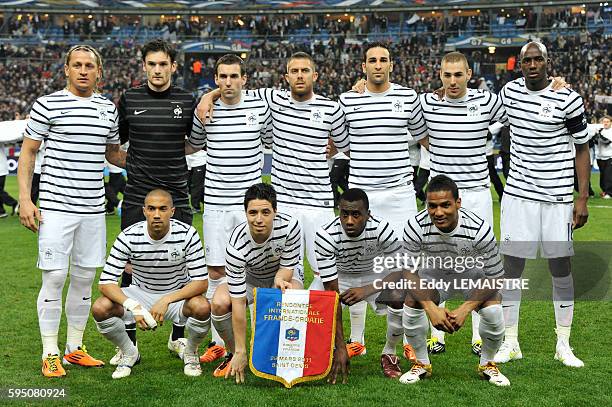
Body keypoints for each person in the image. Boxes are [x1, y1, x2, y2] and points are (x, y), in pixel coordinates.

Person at [197, 52, 349, 303]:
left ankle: (344, 338)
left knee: (328, 272)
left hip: (318, 202)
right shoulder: (272, 99)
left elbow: (344, 144)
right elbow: (230, 88)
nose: (300, 75)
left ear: (316, 75)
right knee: (289, 273)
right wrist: (208, 95)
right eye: (294, 71)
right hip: (284, 203)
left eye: (305, 70)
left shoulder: (330, 108)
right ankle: (289, 330)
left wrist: (332, 146)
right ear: (286, 76)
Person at [17, 44, 126, 377]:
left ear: (98, 71)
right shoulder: (48, 104)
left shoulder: (107, 108)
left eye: (89, 66)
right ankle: (49, 352)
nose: (82, 71)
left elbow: (113, 155)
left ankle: (74, 350)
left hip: (93, 209)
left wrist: (152, 163)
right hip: (56, 208)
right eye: (76, 65)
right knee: (55, 277)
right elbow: (28, 153)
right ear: (65, 69)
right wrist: (25, 198)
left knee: (83, 279)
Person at [495, 41, 589, 368]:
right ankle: (510, 342)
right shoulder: (509, 93)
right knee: (511, 270)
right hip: (519, 195)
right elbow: (472, 100)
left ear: (548, 63)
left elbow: (581, 148)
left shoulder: (569, 98)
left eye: (538, 59)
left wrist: (582, 197)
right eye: (527, 60)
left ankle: (563, 344)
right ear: (519, 64)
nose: (533, 65)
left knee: (560, 269)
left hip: (558, 197)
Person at [115, 39, 205, 360]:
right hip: (137, 195)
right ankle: (130, 344)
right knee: (127, 268)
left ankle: (177, 336)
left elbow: (194, 144)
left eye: (162, 64)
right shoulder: (129, 99)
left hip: (176, 196)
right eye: (151, 64)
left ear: (172, 66)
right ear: (144, 66)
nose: (157, 69)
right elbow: (116, 144)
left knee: (180, 265)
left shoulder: (186, 99)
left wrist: (168, 161)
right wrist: (139, 166)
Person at [339, 42, 428, 361]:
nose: (378, 65)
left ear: (392, 65)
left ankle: (401, 339)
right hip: (363, 196)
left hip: (400, 194)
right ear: (363, 66)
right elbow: (342, 142)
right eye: (372, 60)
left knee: (404, 267)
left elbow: (424, 137)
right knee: (355, 264)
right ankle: (357, 339)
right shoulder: (348, 100)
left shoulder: (408, 98)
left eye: (383, 60)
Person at [419, 51, 506, 355]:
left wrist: (556, 83)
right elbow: (410, 122)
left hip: (476, 193)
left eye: (458, 75)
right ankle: (436, 333)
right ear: (439, 74)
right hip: (442, 198)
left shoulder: (486, 101)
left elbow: (518, 112)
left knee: (478, 265)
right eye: (447, 75)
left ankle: (477, 335)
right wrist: (361, 86)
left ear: (469, 74)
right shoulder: (426, 102)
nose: (452, 81)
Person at [192, 54, 271, 364]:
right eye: (222, 77)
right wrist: (206, 100)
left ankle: (253, 340)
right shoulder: (205, 112)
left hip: (249, 206)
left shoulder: (260, 106)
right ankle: (218, 343)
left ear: (244, 79)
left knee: (252, 272)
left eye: (233, 76)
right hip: (216, 203)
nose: (228, 82)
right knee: (216, 271)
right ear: (215, 79)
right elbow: (196, 143)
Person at [401, 175, 509, 386]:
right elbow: (409, 273)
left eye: (445, 205)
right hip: (434, 276)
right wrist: (431, 307)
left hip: (470, 276)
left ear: (458, 203)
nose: (438, 212)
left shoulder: (479, 228)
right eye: (432, 206)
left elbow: (495, 276)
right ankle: (422, 364)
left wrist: (464, 310)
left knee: (493, 309)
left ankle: (488, 364)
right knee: (411, 301)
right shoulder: (415, 226)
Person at [92, 189, 210, 379]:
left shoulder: (187, 234)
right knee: (100, 308)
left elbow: (201, 282)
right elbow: (106, 282)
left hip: (176, 295)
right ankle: (129, 352)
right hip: (141, 293)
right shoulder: (129, 236)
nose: (157, 214)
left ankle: (190, 352)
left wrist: (167, 300)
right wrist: (134, 306)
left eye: (162, 209)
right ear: (144, 211)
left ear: (172, 211)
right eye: (152, 209)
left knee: (202, 306)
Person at [209, 183, 303, 382]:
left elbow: (287, 267)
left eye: (265, 212)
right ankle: (234, 353)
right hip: (250, 280)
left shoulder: (291, 227)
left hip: (280, 275)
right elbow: (238, 303)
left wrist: (279, 280)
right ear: (245, 213)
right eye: (252, 213)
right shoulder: (236, 246)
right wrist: (241, 350)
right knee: (218, 302)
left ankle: (287, 356)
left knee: (295, 295)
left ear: (275, 212)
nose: (259, 219)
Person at [316, 188, 409, 379]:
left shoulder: (381, 228)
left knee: (399, 294)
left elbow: (399, 270)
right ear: (338, 212)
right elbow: (332, 293)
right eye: (345, 214)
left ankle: (389, 353)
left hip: (372, 275)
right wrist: (340, 347)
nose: (349, 221)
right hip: (338, 277)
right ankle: (316, 355)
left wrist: (366, 290)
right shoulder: (326, 235)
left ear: (368, 215)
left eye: (356, 214)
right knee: (311, 304)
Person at [594, 115, 612, 198]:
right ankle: (604, 191)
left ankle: (609, 193)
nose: (605, 123)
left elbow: (606, 141)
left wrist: (598, 135)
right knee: (602, 175)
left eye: (607, 122)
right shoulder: (600, 130)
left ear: (611, 123)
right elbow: (596, 142)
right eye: (604, 122)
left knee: (608, 175)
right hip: (600, 157)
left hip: (610, 156)